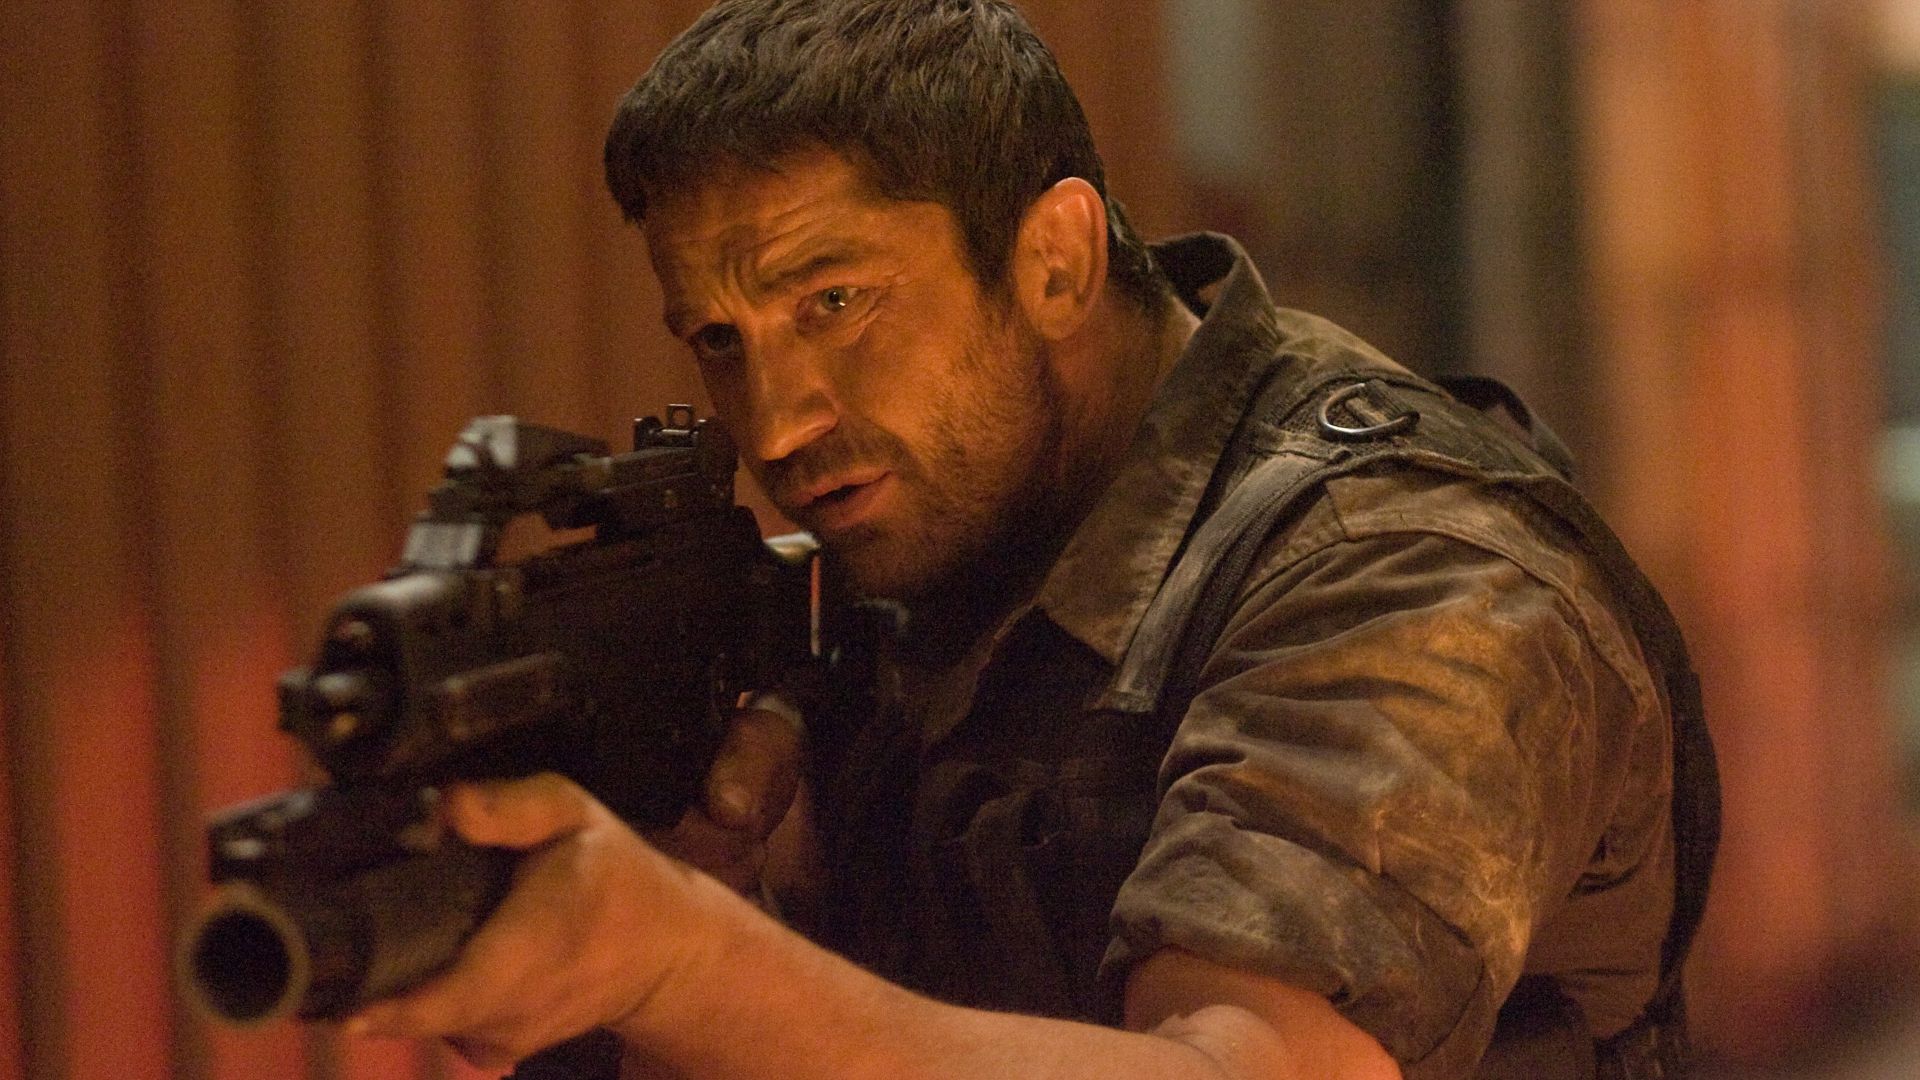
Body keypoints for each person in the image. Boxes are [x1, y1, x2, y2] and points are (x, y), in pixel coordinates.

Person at [347, 1, 1716, 1077]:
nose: (775, 422)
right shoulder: (927, 551)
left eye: (834, 302)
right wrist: (700, 924)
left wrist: (683, 963)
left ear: (1054, 260)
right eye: (720, 339)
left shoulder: (1411, 572)